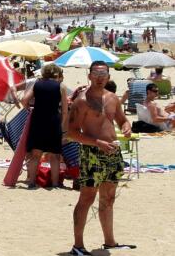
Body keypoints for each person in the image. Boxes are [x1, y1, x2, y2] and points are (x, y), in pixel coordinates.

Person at [67, 61, 135, 255]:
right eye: (96, 74)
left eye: (103, 74)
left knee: (109, 198)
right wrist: (97, 143)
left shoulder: (113, 98)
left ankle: (110, 242)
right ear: (89, 76)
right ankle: (78, 246)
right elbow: (71, 132)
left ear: (108, 77)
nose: (99, 77)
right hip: (92, 153)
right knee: (87, 198)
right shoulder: (82, 101)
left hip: (113, 152)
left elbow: (122, 119)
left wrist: (126, 127)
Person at [21, 64, 68, 189]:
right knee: (54, 155)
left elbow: (24, 100)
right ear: (57, 74)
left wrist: (29, 109)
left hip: (38, 120)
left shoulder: (37, 83)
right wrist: (62, 126)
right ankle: (55, 183)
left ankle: (31, 182)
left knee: (35, 153)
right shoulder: (61, 86)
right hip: (53, 120)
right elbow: (64, 110)